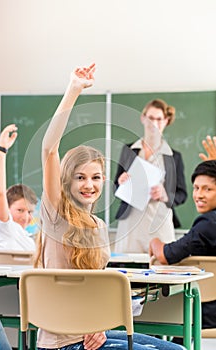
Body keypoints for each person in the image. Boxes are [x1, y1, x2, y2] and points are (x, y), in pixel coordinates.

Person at [34, 63, 185, 350]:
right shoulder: (56, 215)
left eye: (94, 177)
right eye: (80, 177)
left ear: (104, 180)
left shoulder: (99, 226)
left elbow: (95, 289)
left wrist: (100, 324)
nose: (88, 185)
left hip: (91, 331)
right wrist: (73, 90)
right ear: (66, 180)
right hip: (64, 343)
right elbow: (49, 149)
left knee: (176, 348)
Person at [149, 160, 216, 343]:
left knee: (148, 311)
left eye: (207, 189)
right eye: (196, 188)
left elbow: (165, 255)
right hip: (205, 308)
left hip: (204, 311)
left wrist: (154, 242)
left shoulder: (208, 224)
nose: (199, 195)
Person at [114, 99, 187, 253]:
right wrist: (121, 183)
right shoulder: (129, 150)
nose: (154, 123)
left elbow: (182, 194)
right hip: (130, 223)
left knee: (160, 269)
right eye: (150, 118)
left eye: (159, 119)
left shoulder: (173, 157)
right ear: (143, 118)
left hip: (159, 223)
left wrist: (165, 194)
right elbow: (115, 186)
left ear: (166, 121)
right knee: (128, 268)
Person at [0, 124, 37, 251]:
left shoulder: (29, 239)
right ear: (7, 208)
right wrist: (1, 149)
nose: (26, 217)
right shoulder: (5, 228)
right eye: (20, 210)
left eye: (30, 212)